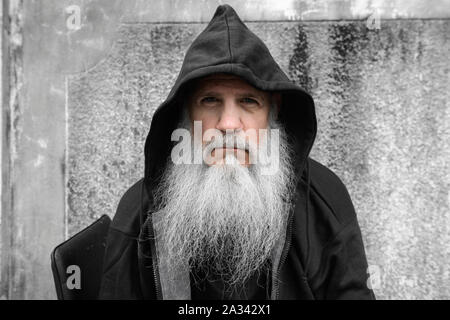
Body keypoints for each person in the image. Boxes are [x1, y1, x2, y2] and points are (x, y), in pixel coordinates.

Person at [98, 4, 375, 300]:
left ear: (273, 110)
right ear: (185, 112)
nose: (228, 124)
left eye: (248, 101)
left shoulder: (324, 200)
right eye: (210, 100)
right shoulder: (139, 211)